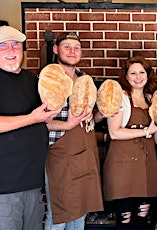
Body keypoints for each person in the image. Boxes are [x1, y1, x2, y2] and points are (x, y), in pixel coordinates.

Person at [0, 25, 60, 230]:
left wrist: (70, 123)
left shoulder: (33, 80)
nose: (10, 50)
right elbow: (32, 118)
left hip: (33, 184)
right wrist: (31, 118)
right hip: (5, 187)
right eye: (2, 45)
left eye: (15, 44)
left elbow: (41, 120)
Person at [45, 32, 104, 229]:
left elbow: (88, 120)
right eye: (67, 47)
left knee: (81, 211)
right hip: (60, 154)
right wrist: (66, 125)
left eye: (76, 48)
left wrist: (101, 114)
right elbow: (39, 122)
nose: (72, 51)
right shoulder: (47, 80)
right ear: (56, 50)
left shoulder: (85, 79)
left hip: (85, 152)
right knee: (59, 216)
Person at [103, 56, 157, 229]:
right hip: (123, 164)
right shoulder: (120, 98)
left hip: (146, 164)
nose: (138, 77)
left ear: (148, 74)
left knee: (142, 216)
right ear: (126, 76)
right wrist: (147, 131)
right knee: (125, 217)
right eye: (133, 73)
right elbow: (114, 132)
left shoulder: (151, 100)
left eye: (141, 72)